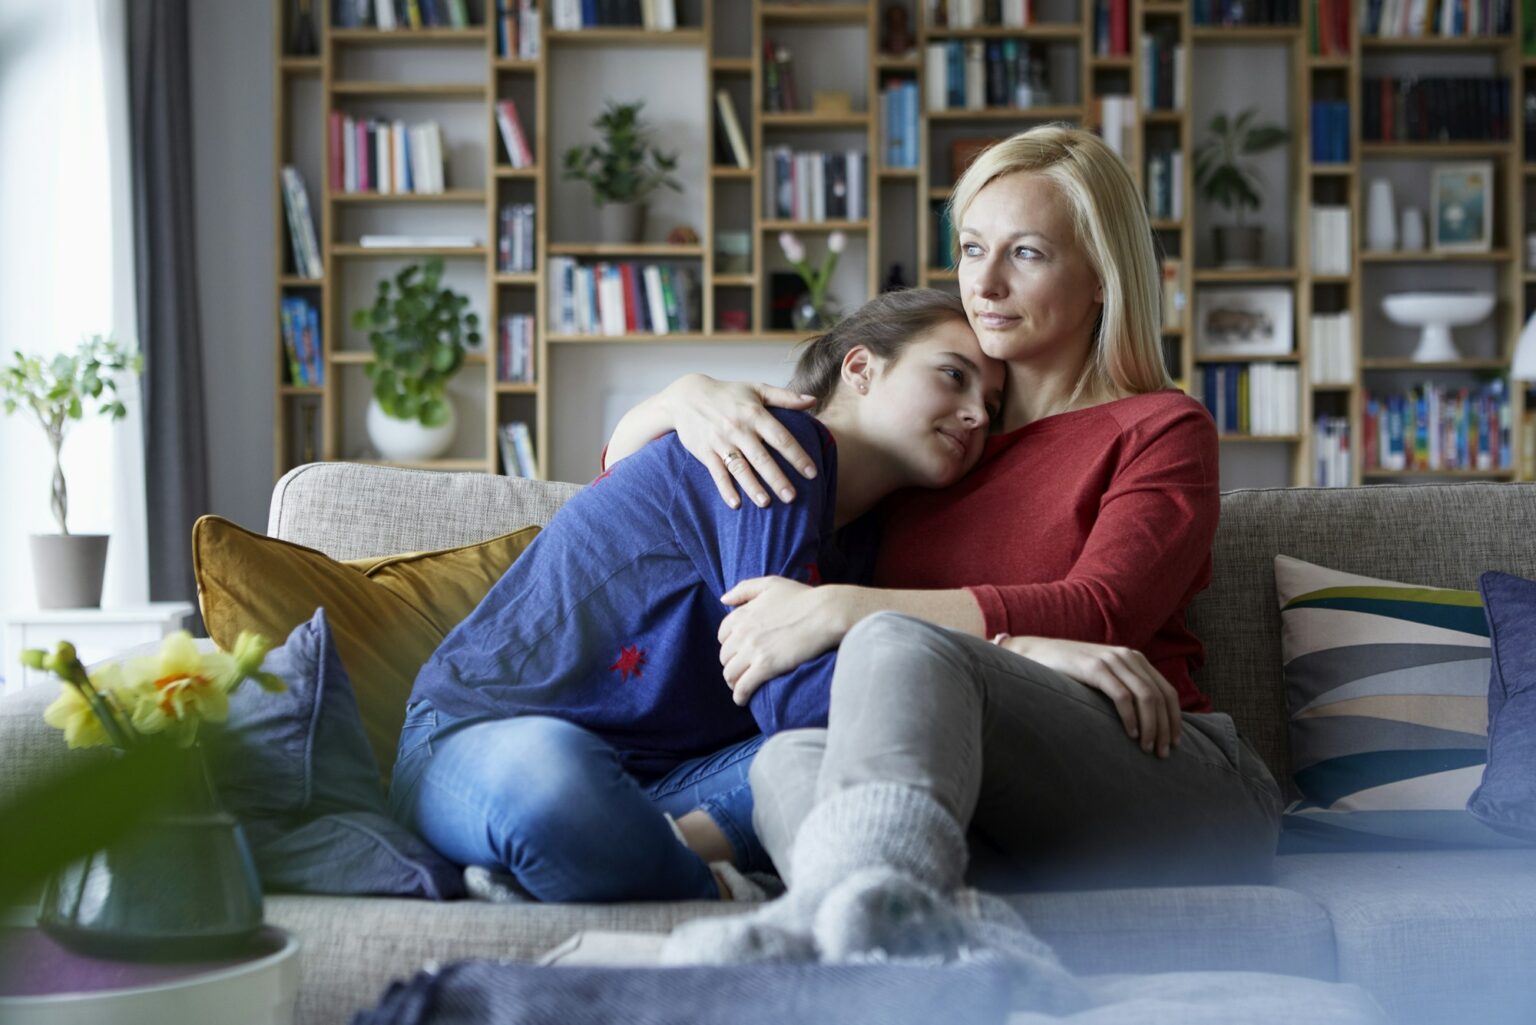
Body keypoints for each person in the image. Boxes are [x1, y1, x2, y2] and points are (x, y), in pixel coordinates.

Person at [599, 124, 1285, 962]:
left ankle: (824, 934)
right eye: (970, 248)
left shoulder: (1162, 427)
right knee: (788, 760)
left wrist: (851, 612)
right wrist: (682, 397)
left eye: (1026, 253)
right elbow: (664, 495)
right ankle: (925, 936)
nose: (985, 283)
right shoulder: (938, 445)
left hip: (1164, 776)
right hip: (977, 800)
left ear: (1104, 275)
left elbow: (1105, 610)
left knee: (894, 645)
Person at [387, 288, 1009, 904]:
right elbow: (791, 699)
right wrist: (1001, 658)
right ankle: (706, 881)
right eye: (954, 376)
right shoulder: (773, 444)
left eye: (992, 404)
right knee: (552, 784)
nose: (977, 414)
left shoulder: (869, 545)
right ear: (862, 368)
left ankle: (615, 860)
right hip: (477, 738)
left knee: (875, 757)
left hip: (657, 788)